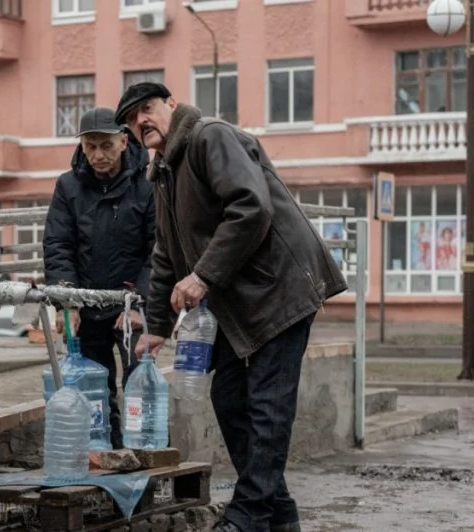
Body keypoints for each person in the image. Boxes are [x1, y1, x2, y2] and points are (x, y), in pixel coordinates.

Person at [117, 82, 347, 532]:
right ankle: (278, 516)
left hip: (278, 289)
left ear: (171, 105)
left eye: (147, 109)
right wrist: (158, 325)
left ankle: (248, 516)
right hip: (237, 300)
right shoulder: (163, 172)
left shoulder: (208, 136)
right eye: (131, 118)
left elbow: (250, 206)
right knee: (229, 399)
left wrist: (203, 276)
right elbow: (165, 252)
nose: (141, 121)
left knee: (266, 406)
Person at [43, 106, 155, 450]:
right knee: (95, 389)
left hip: (132, 306)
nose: (97, 155)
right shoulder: (68, 186)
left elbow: (158, 248)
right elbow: (58, 245)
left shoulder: (148, 183)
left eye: (105, 145)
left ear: (123, 141)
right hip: (87, 306)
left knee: (140, 384)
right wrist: (69, 302)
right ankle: (107, 453)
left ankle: (143, 452)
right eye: (90, 146)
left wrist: (140, 301)